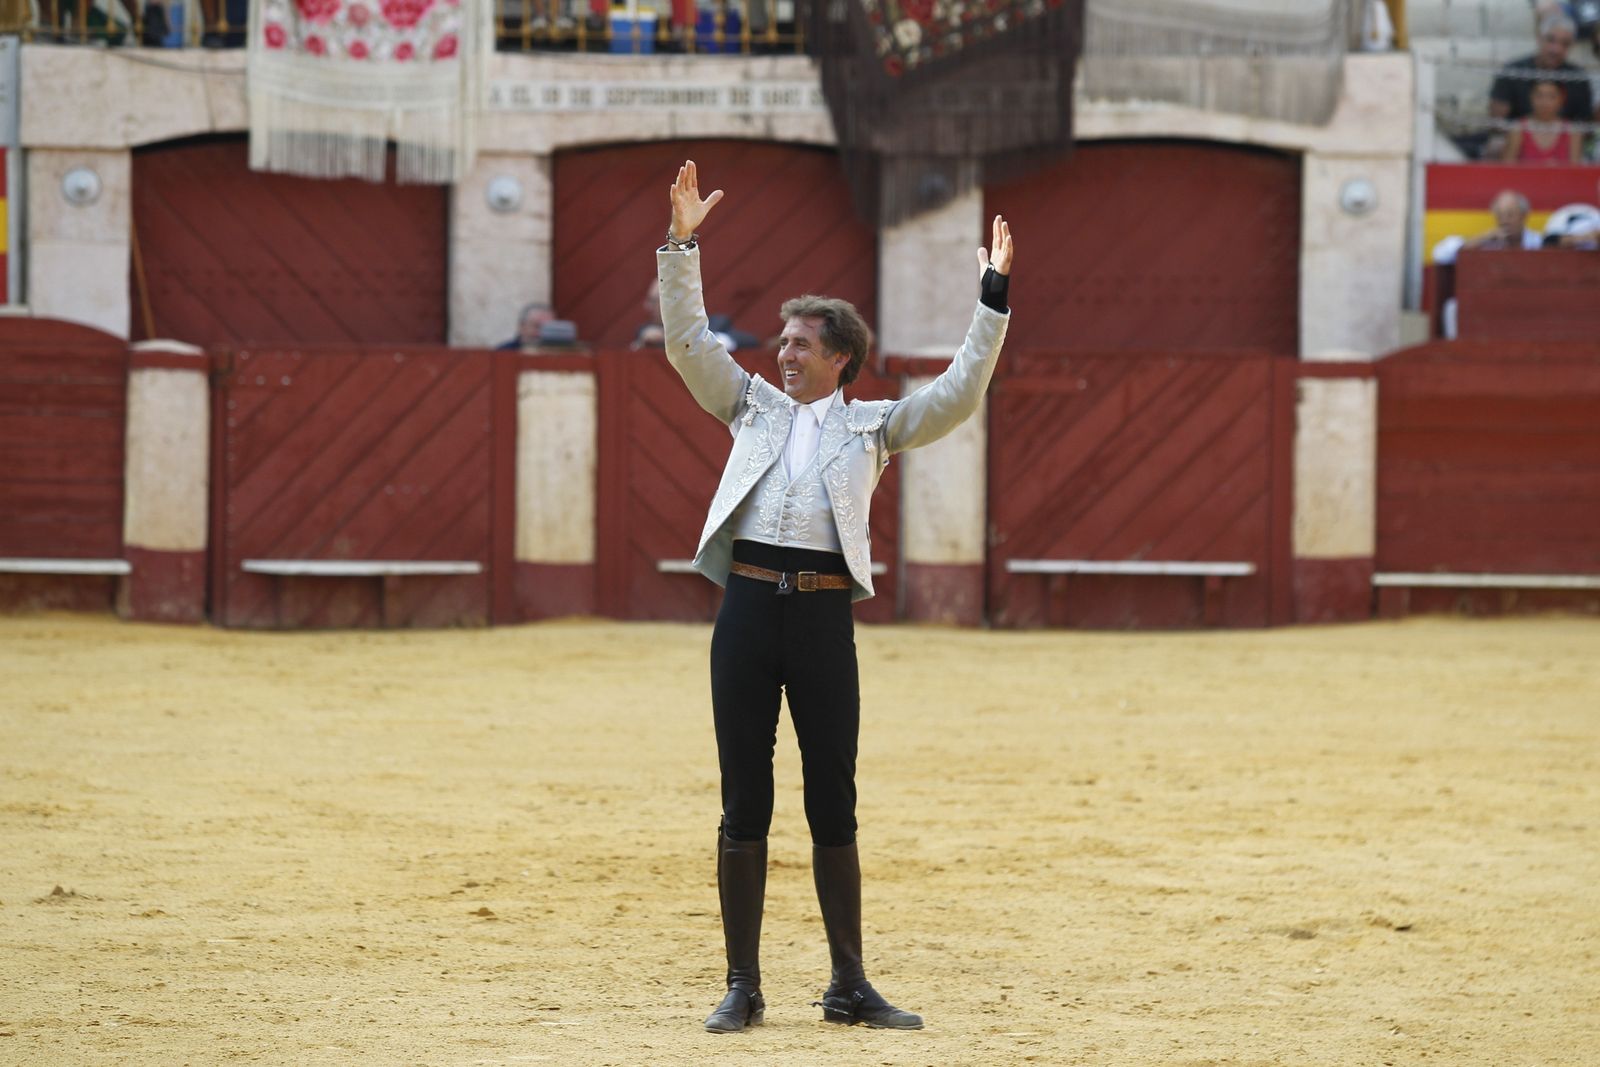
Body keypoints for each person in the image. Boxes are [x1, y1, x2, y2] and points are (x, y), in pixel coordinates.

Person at [657, 159, 1012, 1035]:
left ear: (840, 357)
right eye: (782, 343)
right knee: (744, 796)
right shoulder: (748, 407)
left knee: (832, 798)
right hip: (747, 612)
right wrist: (681, 246)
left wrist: (991, 300)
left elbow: (960, 393)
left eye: (800, 345)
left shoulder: (872, 425)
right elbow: (688, 340)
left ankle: (848, 983)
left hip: (820, 618)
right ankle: (743, 984)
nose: (783, 354)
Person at [1431, 189, 1544, 337]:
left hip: (1529, 305)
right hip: (1492, 305)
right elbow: (1440, 254)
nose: (1505, 220)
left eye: (1510, 214)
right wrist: (1483, 238)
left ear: (1524, 216)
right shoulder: (1487, 242)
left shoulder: (1539, 242)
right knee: (1452, 308)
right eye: (1500, 215)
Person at [1490, 12, 1595, 127]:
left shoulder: (1578, 77)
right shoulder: (1513, 71)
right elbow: (1497, 121)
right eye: (1550, 40)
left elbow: (1584, 125)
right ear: (1539, 38)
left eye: (1565, 43)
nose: (1556, 49)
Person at [1501, 79, 1585, 162]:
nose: (1545, 102)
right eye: (1539, 96)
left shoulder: (1573, 131)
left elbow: (1575, 168)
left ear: (1561, 99)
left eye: (1551, 96)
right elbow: (1507, 166)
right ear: (1531, 97)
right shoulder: (1517, 129)